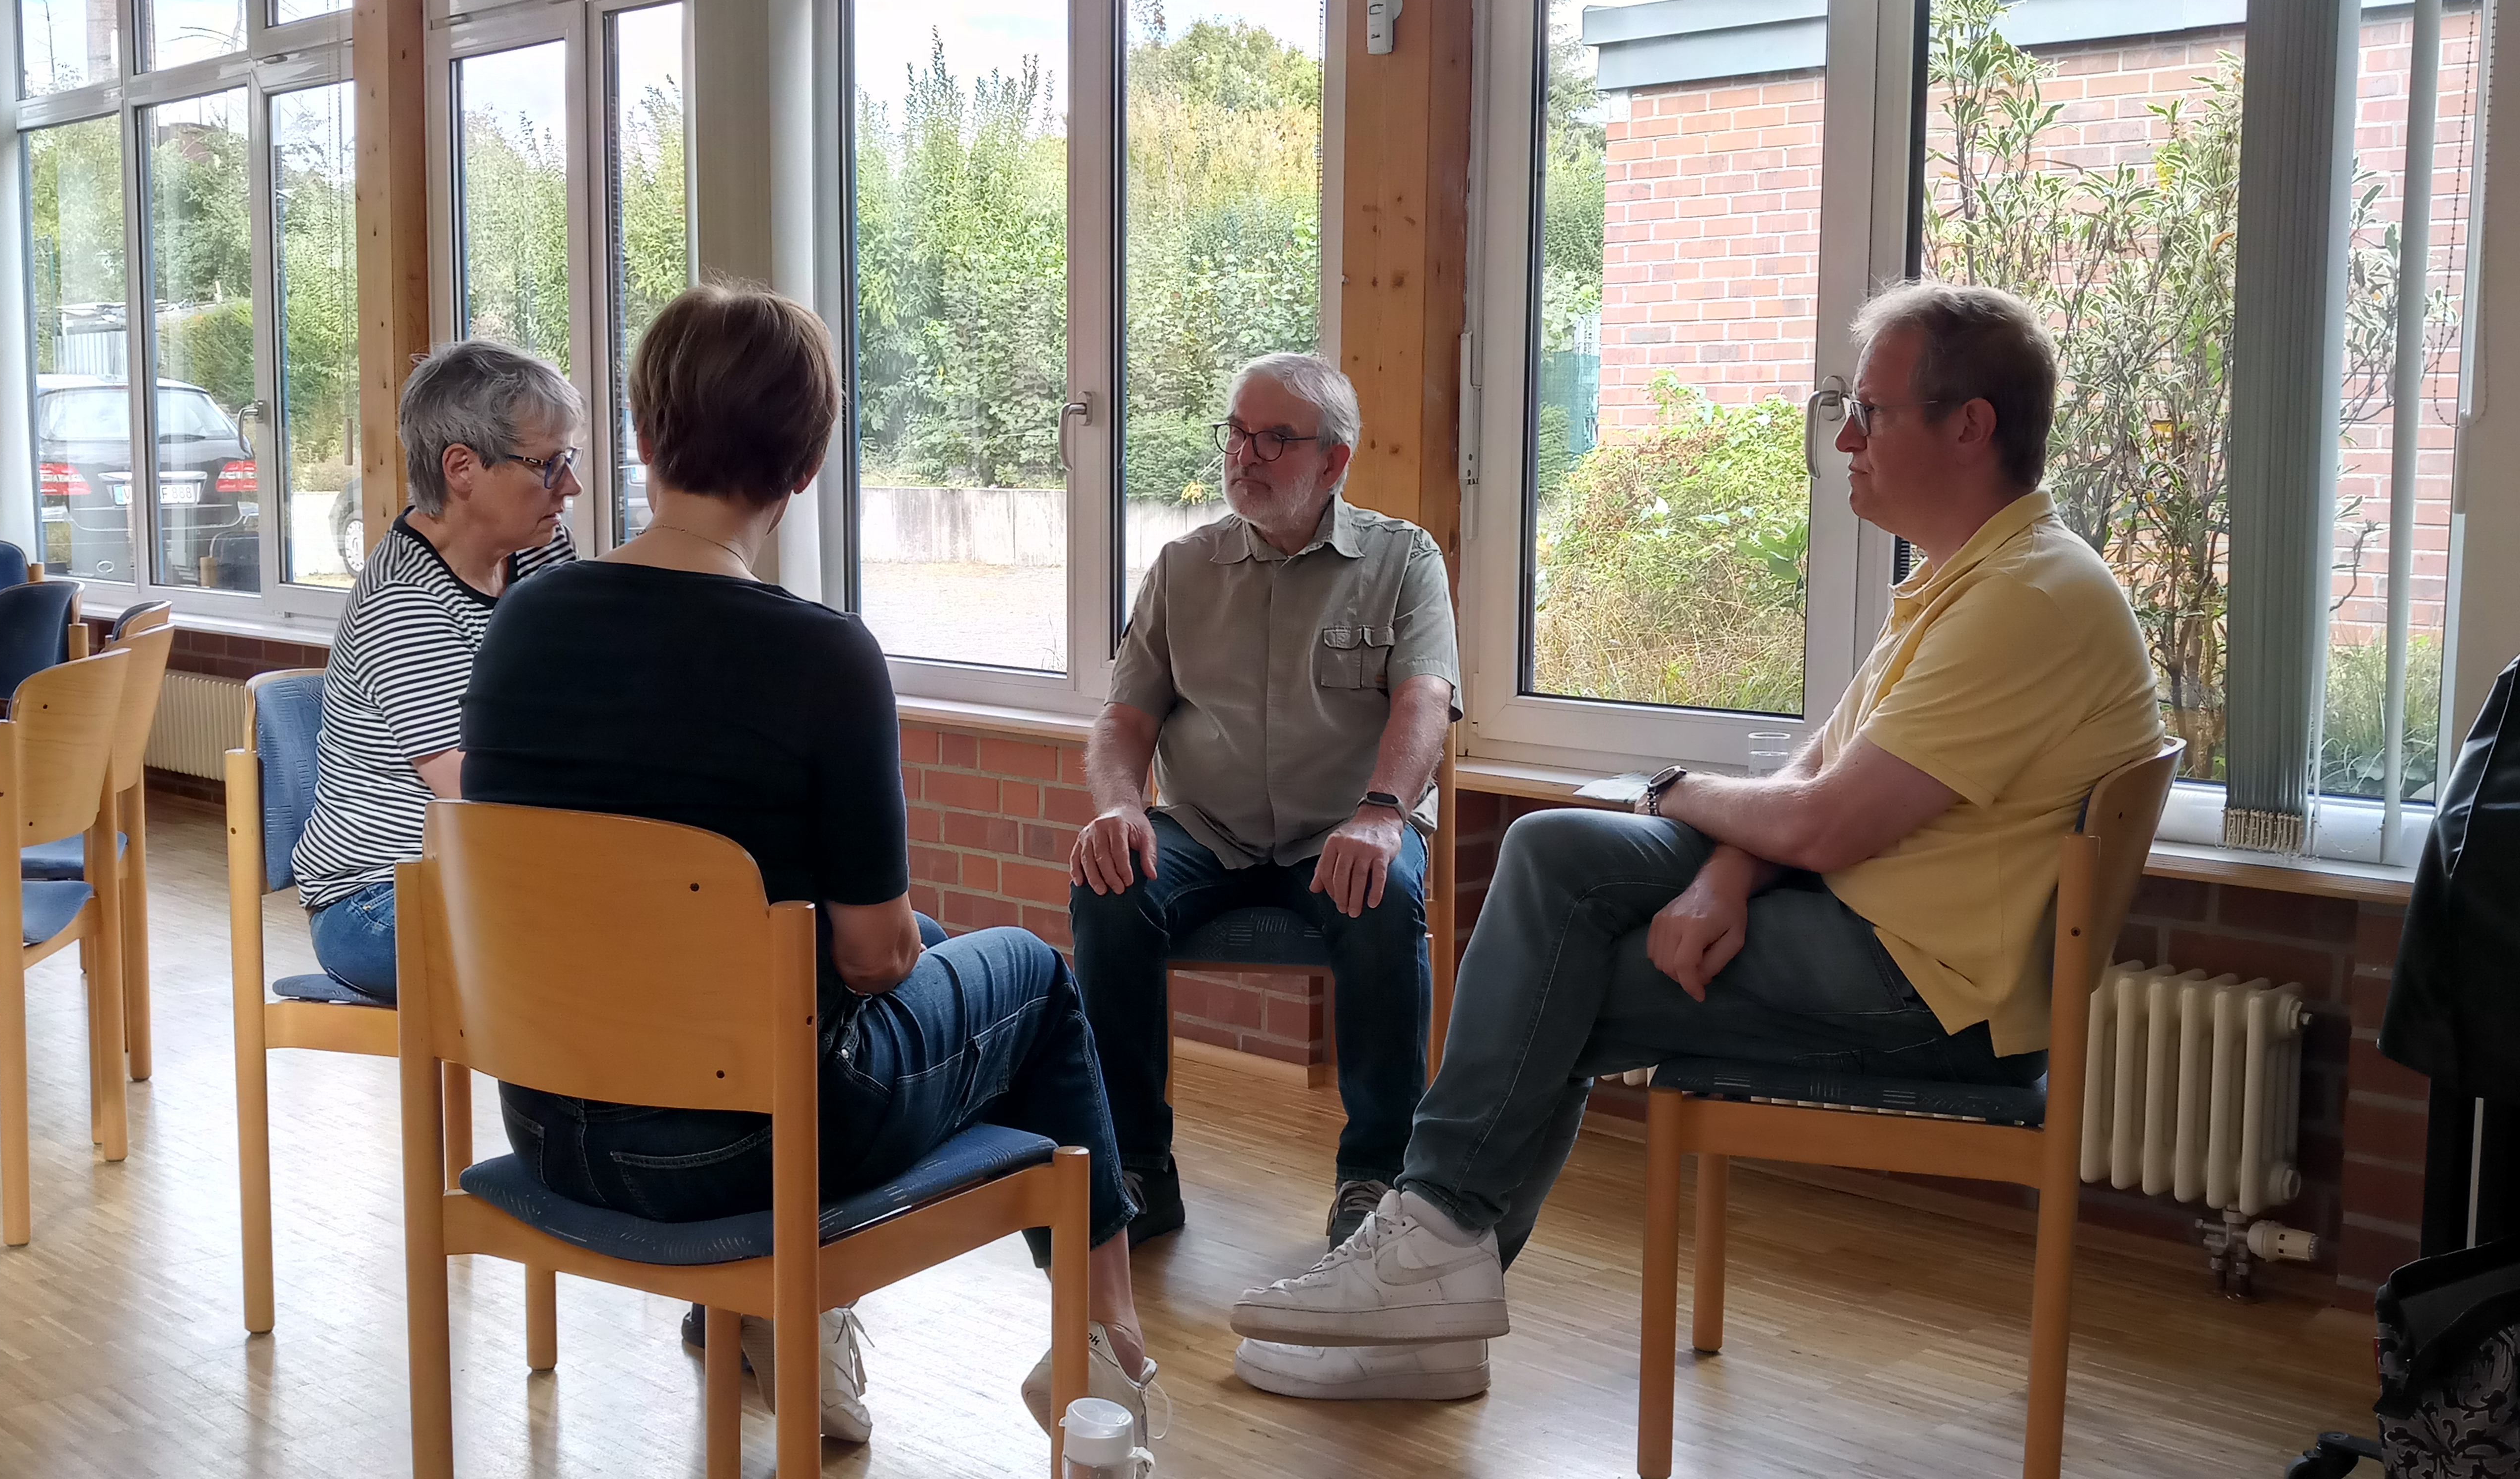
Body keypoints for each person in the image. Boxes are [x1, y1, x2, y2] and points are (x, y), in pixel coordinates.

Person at [1225, 281, 2165, 1395]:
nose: (1845, 439)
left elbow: (1821, 818)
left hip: (1930, 994)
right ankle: (1432, 1268)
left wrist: (1672, 791)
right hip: (1877, 924)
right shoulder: (1973, 577)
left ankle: (1428, 1273)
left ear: (1969, 427)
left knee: (1554, 984)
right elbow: (1818, 772)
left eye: (1869, 412)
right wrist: (1724, 876)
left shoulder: (2027, 597)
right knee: (1552, 852)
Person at [459, 282, 1164, 1448]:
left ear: (641, 437)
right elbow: (875, 959)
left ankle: (793, 1326)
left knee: (902, 957)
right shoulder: (822, 656)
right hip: (744, 1150)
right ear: (806, 465)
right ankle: (1108, 1350)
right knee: (1035, 980)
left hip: (544, 1119)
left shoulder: (522, 626)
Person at [1069, 352, 1459, 1276]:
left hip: (1345, 828)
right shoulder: (1183, 568)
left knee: (1383, 893)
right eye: (1238, 433)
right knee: (1109, 886)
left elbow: (1425, 702)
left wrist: (1382, 813)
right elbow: (1123, 721)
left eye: (1275, 438)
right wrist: (1120, 808)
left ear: (1335, 461)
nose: (1245, 454)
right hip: (1207, 830)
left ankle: (1377, 1177)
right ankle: (1137, 1169)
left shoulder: (1404, 560)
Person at [291, 340, 579, 998]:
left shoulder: (540, 548)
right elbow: (477, 787)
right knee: (589, 950)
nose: (572, 487)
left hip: (491, 867)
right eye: (549, 464)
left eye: (571, 460)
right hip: (376, 900)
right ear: (462, 469)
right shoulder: (404, 602)